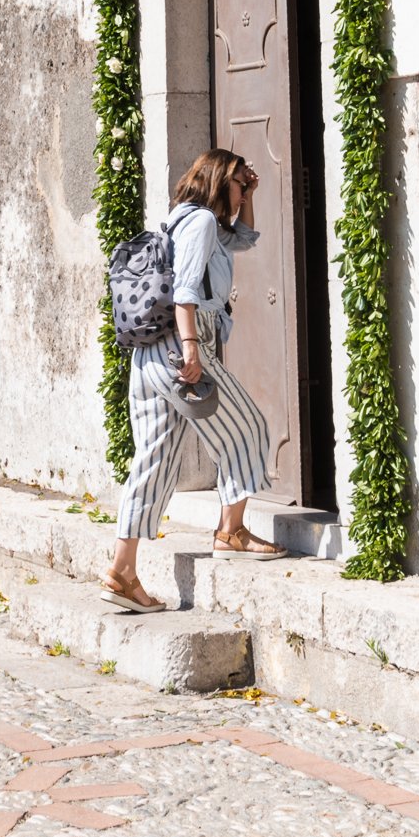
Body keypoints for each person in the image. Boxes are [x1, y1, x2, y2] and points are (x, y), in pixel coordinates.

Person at [104, 147, 282, 612]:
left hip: (148, 354)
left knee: (155, 458)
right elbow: (185, 292)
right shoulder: (201, 224)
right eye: (240, 184)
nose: (244, 190)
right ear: (222, 182)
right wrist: (191, 351)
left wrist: (248, 199)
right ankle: (231, 530)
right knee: (249, 429)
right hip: (180, 345)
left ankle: (123, 570)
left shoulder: (184, 219)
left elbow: (241, 241)